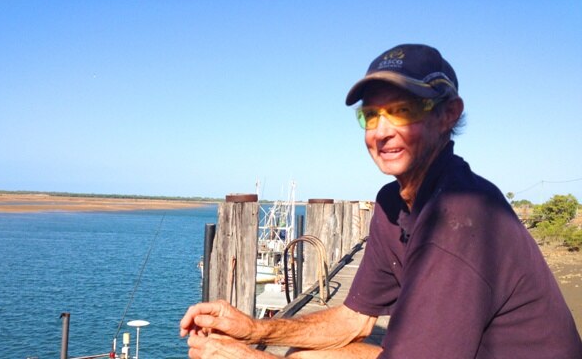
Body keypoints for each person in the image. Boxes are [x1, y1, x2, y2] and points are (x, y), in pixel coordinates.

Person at [180, 44, 582, 358]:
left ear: (447, 115)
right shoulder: (394, 202)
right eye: (371, 116)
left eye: (402, 111)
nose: (381, 133)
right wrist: (254, 330)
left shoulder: (460, 215)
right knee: (306, 355)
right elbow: (355, 320)